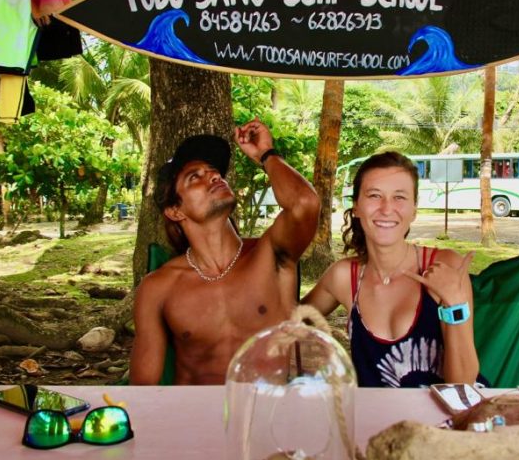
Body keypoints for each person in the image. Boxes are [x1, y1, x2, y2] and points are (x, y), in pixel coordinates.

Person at [130, 118, 320, 385]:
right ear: (175, 211)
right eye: (195, 177)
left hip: (267, 407)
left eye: (214, 171)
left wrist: (266, 154)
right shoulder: (158, 287)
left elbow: (304, 203)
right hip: (195, 409)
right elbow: (143, 387)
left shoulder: (271, 254)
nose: (214, 176)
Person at [303, 151, 479, 388]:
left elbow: (462, 383)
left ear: (414, 210)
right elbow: (289, 322)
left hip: (443, 409)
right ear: (356, 207)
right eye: (374, 195)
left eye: (399, 197)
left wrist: (454, 303)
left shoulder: (445, 266)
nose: (386, 209)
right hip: (375, 411)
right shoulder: (344, 276)